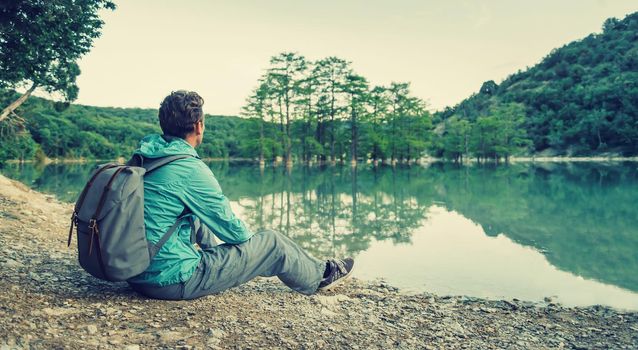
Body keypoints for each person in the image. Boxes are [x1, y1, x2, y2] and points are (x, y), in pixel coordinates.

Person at [127, 90, 354, 300]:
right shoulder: (189, 168)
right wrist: (255, 252)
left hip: (136, 272)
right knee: (273, 243)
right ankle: (319, 277)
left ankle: (312, 266)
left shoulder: (146, 157)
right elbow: (236, 234)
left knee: (193, 213)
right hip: (170, 280)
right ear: (199, 125)